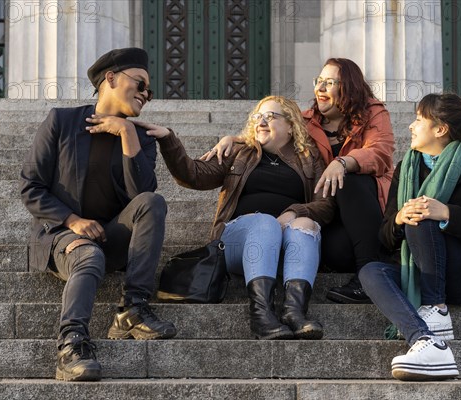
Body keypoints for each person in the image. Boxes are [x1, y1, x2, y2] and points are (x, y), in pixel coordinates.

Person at [20, 48, 177, 382]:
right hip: (61, 236)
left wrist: (127, 134)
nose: (146, 94)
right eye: (140, 83)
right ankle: (71, 345)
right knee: (88, 256)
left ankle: (133, 308)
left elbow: (142, 197)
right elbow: (31, 187)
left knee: (154, 201)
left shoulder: (141, 140)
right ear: (111, 78)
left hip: (113, 237)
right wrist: (72, 221)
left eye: (149, 91)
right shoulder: (62, 121)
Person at [137, 96, 334, 340]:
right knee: (265, 222)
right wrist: (169, 139)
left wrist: (294, 212)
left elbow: (325, 205)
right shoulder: (240, 153)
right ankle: (261, 316)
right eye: (257, 116)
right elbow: (193, 175)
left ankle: (294, 313)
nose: (261, 121)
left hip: (287, 248)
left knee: (306, 223)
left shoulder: (309, 159)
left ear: (291, 125)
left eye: (270, 116)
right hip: (237, 244)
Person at [202, 58, 395, 304]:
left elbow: (380, 152)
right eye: (319, 81)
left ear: (349, 87)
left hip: (363, 208)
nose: (320, 88)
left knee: (350, 180)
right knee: (332, 251)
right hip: (327, 213)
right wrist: (234, 140)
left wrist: (342, 162)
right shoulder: (306, 121)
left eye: (329, 82)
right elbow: (271, 135)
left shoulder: (373, 114)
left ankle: (370, 275)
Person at [358, 93, 461, 381]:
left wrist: (447, 214)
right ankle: (425, 340)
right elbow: (384, 237)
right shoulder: (407, 167)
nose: (411, 126)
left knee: (424, 213)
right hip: (417, 268)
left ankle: (436, 307)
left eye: (419, 120)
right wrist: (397, 220)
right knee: (371, 271)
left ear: (440, 129)